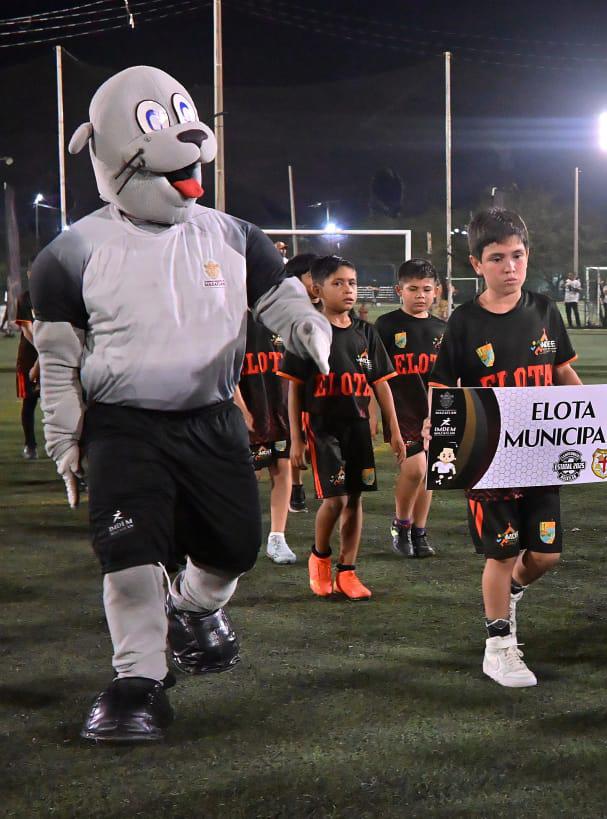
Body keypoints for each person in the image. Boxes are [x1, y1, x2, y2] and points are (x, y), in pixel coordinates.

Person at [32, 66, 331, 744]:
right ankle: (137, 681)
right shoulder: (69, 252)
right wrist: (64, 438)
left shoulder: (231, 233)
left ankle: (190, 606)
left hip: (211, 417)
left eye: (179, 116)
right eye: (151, 124)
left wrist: (307, 324)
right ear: (103, 147)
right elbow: (57, 360)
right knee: (129, 555)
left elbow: (277, 294)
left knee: (233, 547)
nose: (182, 136)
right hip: (124, 425)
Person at [428, 208, 581, 688]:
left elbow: (562, 375)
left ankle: (510, 593)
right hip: (489, 459)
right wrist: (439, 428)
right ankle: (499, 646)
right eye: (497, 258)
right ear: (477, 264)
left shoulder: (544, 311)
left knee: (546, 555)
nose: (510, 267)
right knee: (500, 552)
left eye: (517, 256)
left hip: (541, 455)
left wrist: (602, 417)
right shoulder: (464, 321)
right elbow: (441, 387)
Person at [280, 255, 405, 600]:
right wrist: (296, 439)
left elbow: (381, 384)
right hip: (322, 428)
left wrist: (394, 429)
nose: (348, 289)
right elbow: (295, 389)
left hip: (359, 427)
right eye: (338, 283)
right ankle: (320, 558)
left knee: (355, 499)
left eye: (352, 282)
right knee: (335, 500)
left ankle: (348, 571)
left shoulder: (367, 333)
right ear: (317, 290)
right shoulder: (304, 331)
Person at [374, 259, 447, 559]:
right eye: (413, 289)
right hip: (400, 410)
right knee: (415, 468)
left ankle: (419, 531)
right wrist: (376, 416)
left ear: (436, 292)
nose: (420, 295)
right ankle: (400, 524)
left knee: (431, 471)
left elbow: (447, 375)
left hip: (435, 412)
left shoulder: (443, 329)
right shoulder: (386, 326)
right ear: (398, 290)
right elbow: (375, 375)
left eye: (426, 289)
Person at [233, 314, 296, 565]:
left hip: (278, 410)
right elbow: (227, 369)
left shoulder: (280, 318)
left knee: (282, 468)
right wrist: (241, 408)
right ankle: (238, 536)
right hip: (249, 410)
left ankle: (277, 537)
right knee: (245, 477)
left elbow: (295, 371)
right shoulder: (234, 319)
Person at [284, 252, 318, 514]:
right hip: (289, 383)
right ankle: (295, 485)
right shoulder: (283, 310)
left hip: (323, 385)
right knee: (296, 436)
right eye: (311, 276)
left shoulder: (327, 307)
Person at [14, 286, 39, 459]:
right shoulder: (25, 298)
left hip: (50, 358)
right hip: (28, 358)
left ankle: (63, 448)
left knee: (56, 404)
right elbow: (27, 329)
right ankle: (30, 445)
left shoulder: (52, 295)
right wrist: (44, 348)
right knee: (28, 403)